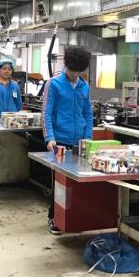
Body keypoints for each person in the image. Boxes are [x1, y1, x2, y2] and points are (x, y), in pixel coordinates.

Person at [41, 46, 93, 235]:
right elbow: (46, 112)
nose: (75, 75)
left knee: (78, 184)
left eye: (79, 71)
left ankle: (74, 219)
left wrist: (88, 137)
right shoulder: (53, 84)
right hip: (59, 142)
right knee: (59, 183)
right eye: (72, 71)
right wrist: (50, 137)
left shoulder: (84, 86)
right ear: (66, 65)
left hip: (80, 142)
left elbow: (87, 114)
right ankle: (54, 218)